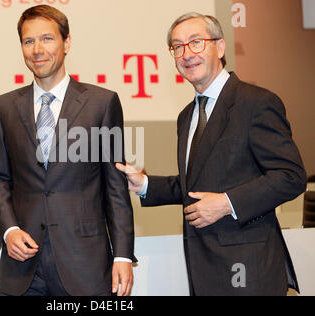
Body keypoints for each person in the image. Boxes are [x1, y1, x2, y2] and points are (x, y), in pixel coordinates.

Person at [116, 12, 306, 296]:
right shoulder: (186, 116)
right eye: (177, 47)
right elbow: (198, 186)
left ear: (220, 47)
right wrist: (143, 184)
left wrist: (227, 203)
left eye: (196, 42)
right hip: (204, 269)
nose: (186, 54)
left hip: (248, 270)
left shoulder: (256, 103)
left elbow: (291, 177)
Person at [0, 5, 135, 296]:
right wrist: (9, 230)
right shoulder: (3, 107)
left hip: (86, 266)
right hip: (23, 268)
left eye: (47, 39)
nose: (37, 49)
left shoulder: (102, 104)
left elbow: (115, 186)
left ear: (66, 43)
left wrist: (123, 255)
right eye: (29, 41)